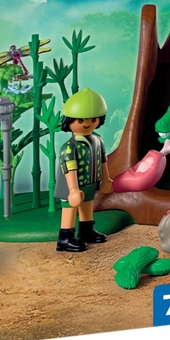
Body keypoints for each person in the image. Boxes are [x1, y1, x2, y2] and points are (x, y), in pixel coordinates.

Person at [55, 87, 113, 252]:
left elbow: (103, 160)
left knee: (87, 204)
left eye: (93, 119)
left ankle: (86, 231)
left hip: (89, 181)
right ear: (69, 121)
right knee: (70, 208)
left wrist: (106, 179)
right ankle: (65, 238)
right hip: (69, 185)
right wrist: (73, 189)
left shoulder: (98, 141)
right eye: (80, 120)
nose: (87, 123)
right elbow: (69, 168)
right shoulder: (69, 147)